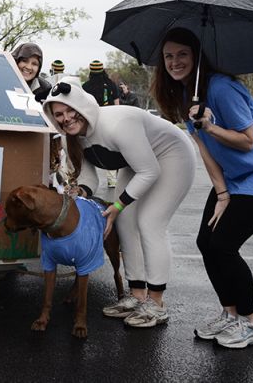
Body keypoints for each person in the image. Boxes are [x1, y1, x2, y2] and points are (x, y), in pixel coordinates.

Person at [152, 27, 253, 348]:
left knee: (224, 246)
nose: (175, 62)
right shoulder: (188, 96)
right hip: (234, 179)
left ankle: (251, 324)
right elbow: (205, 149)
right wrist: (222, 193)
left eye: (182, 54)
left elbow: (248, 141)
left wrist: (211, 126)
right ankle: (230, 315)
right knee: (206, 241)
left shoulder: (222, 87)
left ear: (197, 56)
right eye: (169, 56)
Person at [42, 76, 195, 328]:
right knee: (125, 223)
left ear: (83, 105)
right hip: (136, 163)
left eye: (70, 110)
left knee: (150, 223)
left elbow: (149, 171)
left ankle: (156, 303)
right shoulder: (73, 138)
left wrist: (118, 204)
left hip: (170, 155)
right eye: (58, 114)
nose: (66, 118)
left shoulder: (118, 124)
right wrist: (78, 190)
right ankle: (136, 295)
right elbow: (89, 177)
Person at [82, 60, 120, 186]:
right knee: (110, 148)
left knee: (87, 148)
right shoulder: (111, 84)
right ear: (103, 70)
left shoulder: (86, 86)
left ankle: (88, 180)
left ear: (91, 71)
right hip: (109, 119)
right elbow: (117, 105)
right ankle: (112, 179)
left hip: (93, 120)